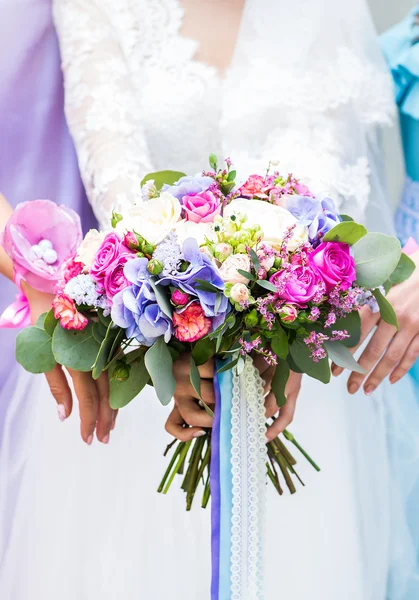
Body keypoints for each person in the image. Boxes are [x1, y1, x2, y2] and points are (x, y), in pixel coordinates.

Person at [0, 0, 414, 598]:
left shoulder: (331, 12)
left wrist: (281, 330)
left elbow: (333, 190)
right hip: (140, 358)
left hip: (298, 376)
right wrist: (183, 330)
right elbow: (121, 189)